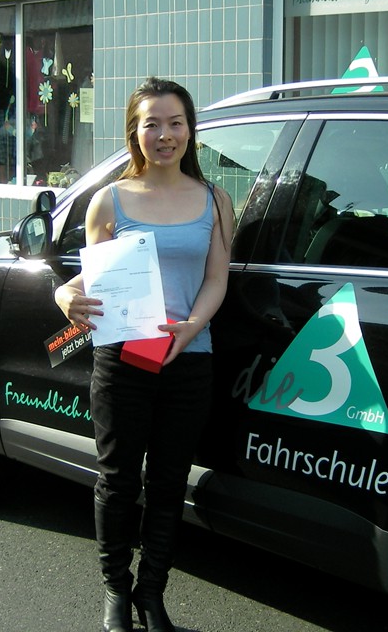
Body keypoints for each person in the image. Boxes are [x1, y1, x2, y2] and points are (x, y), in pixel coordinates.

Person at [54, 77, 233, 632]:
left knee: (169, 483)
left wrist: (191, 326)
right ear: (135, 131)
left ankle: (151, 593)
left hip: (189, 359)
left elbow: (216, 279)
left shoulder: (215, 200)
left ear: (190, 130)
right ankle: (116, 589)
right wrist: (64, 296)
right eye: (152, 123)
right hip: (123, 360)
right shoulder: (109, 201)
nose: (165, 134)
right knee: (118, 480)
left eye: (175, 123)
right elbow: (96, 279)